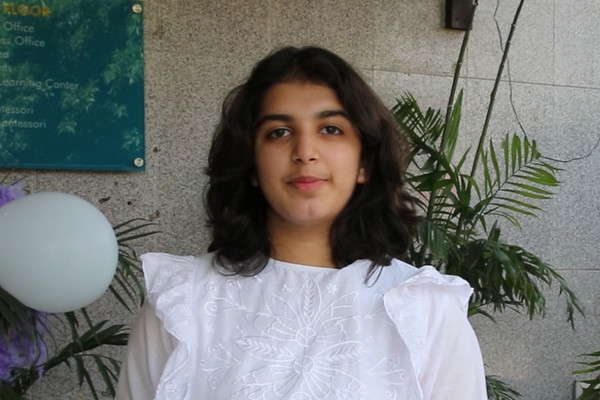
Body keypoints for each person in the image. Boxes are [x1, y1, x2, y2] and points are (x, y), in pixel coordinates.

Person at [116, 46, 488, 400]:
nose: (305, 152)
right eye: (279, 132)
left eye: (331, 129)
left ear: (364, 162)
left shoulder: (424, 309)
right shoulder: (181, 304)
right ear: (252, 165)